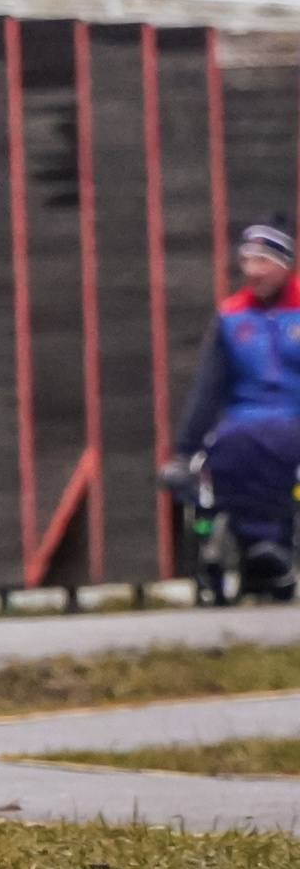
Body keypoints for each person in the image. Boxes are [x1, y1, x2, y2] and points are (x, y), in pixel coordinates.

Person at [166, 220, 300, 600]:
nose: (253, 270)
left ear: (284, 266)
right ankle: (257, 548)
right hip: (243, 420)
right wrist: (185, 450)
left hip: (293, 417)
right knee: (228, 446)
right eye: (247, 260)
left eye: (263, 261)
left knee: (273, 443)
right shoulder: (230, 318)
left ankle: (268, 543)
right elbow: (208, 390)